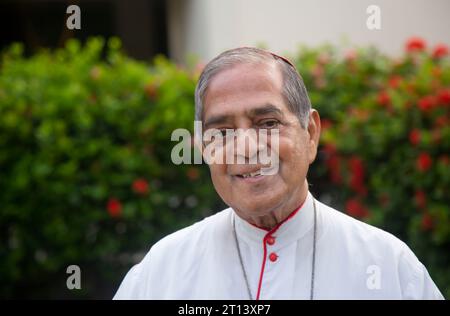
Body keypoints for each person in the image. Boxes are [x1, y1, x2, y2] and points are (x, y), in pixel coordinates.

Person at [113, 47, 443, 299]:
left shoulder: (389, 266)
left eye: (268, 124)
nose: (246, 147)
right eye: (223, 131)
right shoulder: (161, 273)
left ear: (311, 133)